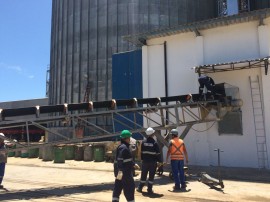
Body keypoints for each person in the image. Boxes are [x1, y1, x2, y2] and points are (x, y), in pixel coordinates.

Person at [112, 130, 135, 202]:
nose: (130, 139)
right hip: (125, 173)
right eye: (129, 138)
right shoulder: (124, 148)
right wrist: (122, 171)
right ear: (127, 138)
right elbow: (121, 160)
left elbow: (124, 160)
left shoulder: (120, 147)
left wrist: (133, 164)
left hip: (120, 173)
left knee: (117, 189)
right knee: (129, 189)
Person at [137, 127, 161, 194]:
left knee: (143, 175)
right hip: (152, 163)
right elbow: (158, 154)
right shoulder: (154, 143)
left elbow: (141, 152)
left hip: (145, 162)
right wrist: (160, 161)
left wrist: (142, 159)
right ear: (153, 134)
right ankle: (149, 189)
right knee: (151, 176)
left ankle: (140, 188)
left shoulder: (143, 142)